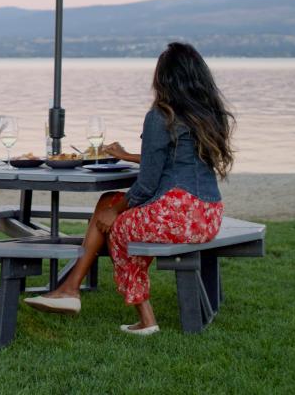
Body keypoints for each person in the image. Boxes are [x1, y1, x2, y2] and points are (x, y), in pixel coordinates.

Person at [24, 42, 233, 335]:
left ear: (163, 78)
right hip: (207, 215)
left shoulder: (162, 115)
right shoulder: (206, 115)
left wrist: (116, 213)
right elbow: (175, 159)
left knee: (119, 228)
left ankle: (145, 320)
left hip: (179, 215)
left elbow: (146, 185)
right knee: (109, 200)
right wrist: (125, 157)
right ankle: (69, 289)